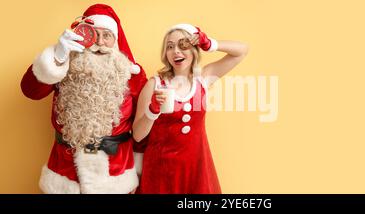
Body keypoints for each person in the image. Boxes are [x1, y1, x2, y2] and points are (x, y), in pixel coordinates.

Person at [20, 4, 147, 194]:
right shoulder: (64, 65)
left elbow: (142, 126)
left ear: (116, 40)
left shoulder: (132, 73)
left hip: (115, 174)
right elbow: (30, 90)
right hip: (65, 173)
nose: (100, 42)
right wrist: (57, 56)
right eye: (94, 35)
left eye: (107, 35)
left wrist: (138, 170)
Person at [132, 23, 248, 193]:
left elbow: (242, 51)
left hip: (197, 169)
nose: (176, 51)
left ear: (194, 49)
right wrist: (153, 110)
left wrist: (210, 44)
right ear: (166, 54)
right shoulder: (154, 84)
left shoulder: (203, 78)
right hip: (161, 172)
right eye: (170, 47)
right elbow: (137, 135)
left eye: (182, 45)